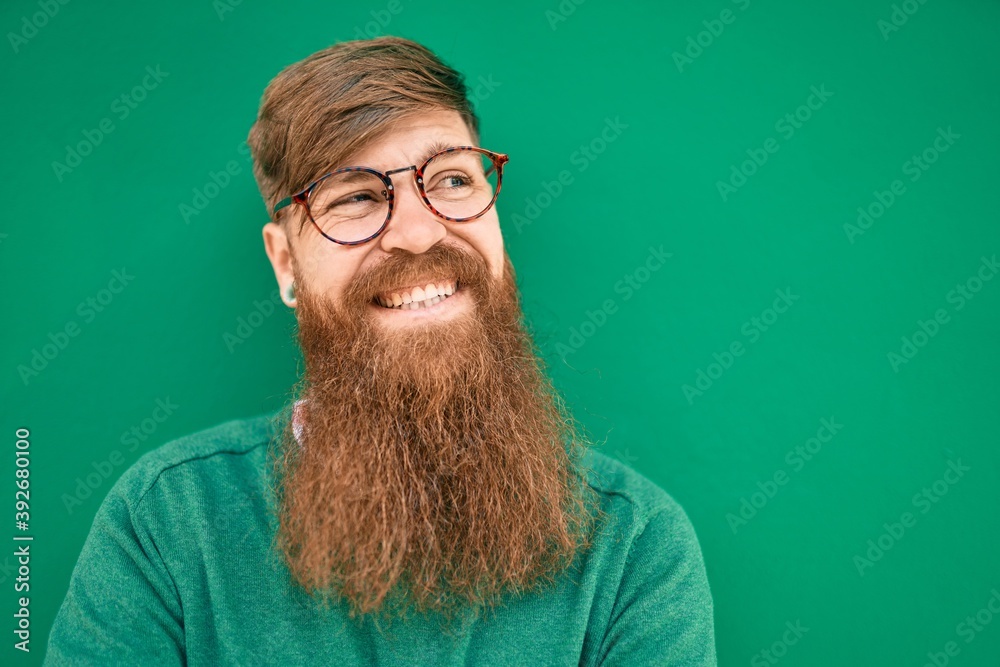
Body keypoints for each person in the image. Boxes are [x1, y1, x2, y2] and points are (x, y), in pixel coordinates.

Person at [45, 36, 717, 665]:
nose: (420, 233)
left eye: (453, 180)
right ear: (285, 265)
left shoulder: (635, 545)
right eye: (358, 196)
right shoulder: (167, 522)